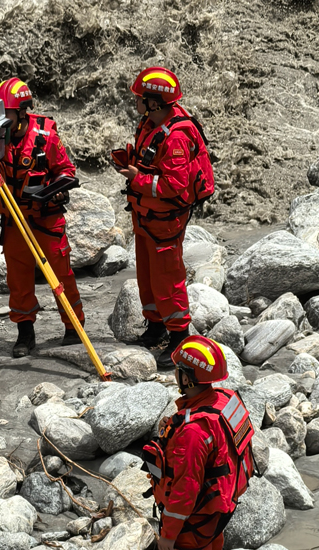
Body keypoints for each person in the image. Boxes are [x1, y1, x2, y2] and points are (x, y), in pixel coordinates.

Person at [141, 335, 258, 550]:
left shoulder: (193, 431)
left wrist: (168, 533)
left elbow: (185, 490)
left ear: (189, 377)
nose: (176, 375)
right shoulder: (226, 400)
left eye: (179, 370)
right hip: (219, 510)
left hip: (194, 520)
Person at [0, 78, 85, 358]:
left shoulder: (45, 137)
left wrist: (55, 191)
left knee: (62, 275)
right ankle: (25, 332)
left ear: (22, 112)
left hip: (46, 218)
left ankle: (74, 326)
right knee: (18, 280)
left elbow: (66, 170)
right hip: (13, 218)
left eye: (4, 112)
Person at [114, 67, 215, 369]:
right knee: (146, 274)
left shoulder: (176, 139)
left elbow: (174, 185)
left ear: (155, 103)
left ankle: (179, 338)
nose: (136, 102)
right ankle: (156, 325)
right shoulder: (150, 123)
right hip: (147, 217)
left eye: (140, 98)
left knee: (168, 280)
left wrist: (137, 178)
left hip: (165, 221)